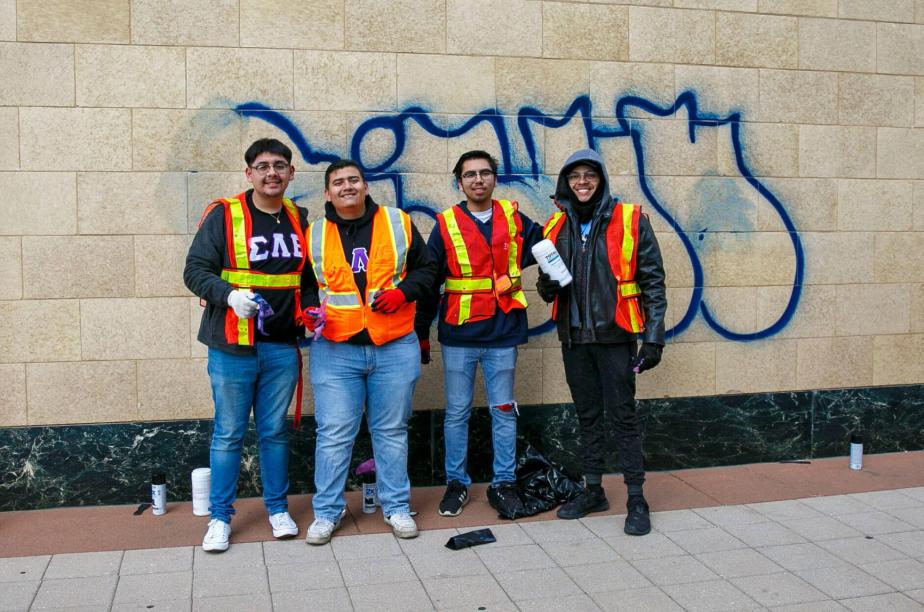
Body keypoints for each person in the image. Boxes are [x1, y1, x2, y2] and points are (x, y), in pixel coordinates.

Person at [184, 138, 310, 552]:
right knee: (229, 434)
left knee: (274, 432)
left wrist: (312, 311)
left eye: (279, 166)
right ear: (249, 173)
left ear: (291, 173)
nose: (271, 173)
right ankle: (219, 518)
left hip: (280, 345)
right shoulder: (224, 214)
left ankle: (277, 509)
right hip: (232, 346)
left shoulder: (300, 217)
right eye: (262, 166)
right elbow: (194, 271)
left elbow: (305, 280)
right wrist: (229, 295)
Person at [303, 159, 436, 545]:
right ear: (327, 193)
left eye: (353, 180)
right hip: (336, 349)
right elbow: (307, 285)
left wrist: (404, 293)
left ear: (365, 186)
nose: (347, 187)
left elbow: (428, 271)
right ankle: (326, 514)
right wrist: (310, 311)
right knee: (333, 435)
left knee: (391, 432)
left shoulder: (397, 221)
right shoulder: (314, 233)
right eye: (338, 182)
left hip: (394, 344)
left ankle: (396, 508)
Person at [537, 148, 667, 536]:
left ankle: (636, 499)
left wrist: (654, 338)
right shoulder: (554, 227)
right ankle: (593, 489)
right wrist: (546, 285)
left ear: (601, 180)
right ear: (565, 182)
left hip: (615, 337)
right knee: (587, 417)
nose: (582, 182)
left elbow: (653, 283)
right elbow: (549, 288)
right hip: (574, 338)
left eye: (589, 175)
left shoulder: (630, 220)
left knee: (623, 418)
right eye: (574, 175)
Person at [416, 150, 544, 518]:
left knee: (503, 411)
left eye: (485, 173)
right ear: (460, 182)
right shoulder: (447, 223)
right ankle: (457, 484)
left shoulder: (513, 217)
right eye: (470, 174)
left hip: (503, 333)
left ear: (494, 179)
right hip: (459, 336)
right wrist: (422, 330)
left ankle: (503, 483)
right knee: (456, 413)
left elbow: (545, 246)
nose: (478, 180)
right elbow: (430, 279)